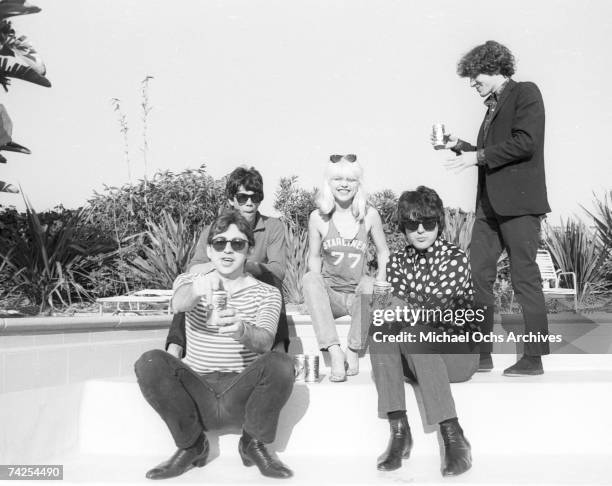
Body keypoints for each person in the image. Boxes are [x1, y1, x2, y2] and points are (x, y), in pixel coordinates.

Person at [135, 209, 295, 480]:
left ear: (248, 251)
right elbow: (178, 303)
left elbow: (266, 342)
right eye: (219, 243)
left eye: (237, 244)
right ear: (209, 250)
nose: (227, 250)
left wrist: (243, 330)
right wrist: (198, 289)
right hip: (198, 393)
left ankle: (253, 444)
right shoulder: (190, 282)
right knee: (150, 362)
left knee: (281, 363)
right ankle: (191, 445)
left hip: (241, 396)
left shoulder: (267, 293)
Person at [440, 40, 551, 376]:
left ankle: (533, 358)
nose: (472, 84)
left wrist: (480, 156)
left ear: (494, 67)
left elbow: (525, 142)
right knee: (477, 277)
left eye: (475, 77)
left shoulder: (526, 92)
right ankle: (481, 353)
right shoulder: (491, 107)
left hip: (519, 206)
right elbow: (492, 152)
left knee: (525, 278)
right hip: (489, 208)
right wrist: (458, 146)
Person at [369, 186, 478, 477]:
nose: (420, 231)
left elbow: (435, 314)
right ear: (403, 227)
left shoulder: (454, 259)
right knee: (381, 328)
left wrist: (399, 309)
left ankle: (454, 437)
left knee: (413, 332)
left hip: (455, 354)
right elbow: (384, 310)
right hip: (413, 354)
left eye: (428, 223)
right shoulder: (398, 261)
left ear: (439, 224)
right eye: (412, 224)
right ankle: (399, 432)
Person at [165, 166, 290, 358]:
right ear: (231, 200)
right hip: (219, 286)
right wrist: (224, 265)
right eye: (242, 197)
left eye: (255, 197)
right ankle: (174, 349)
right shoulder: (215, 229)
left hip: (253, 286)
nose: (249, 202)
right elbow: (194, 268)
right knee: (192, 286)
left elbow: (278, 270)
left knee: (274, 286)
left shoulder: (273, 226)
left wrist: (242, 266)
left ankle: (279, 352)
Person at [302, 154, 389, 382]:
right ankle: (335, 352)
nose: (343, 184)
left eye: (350, 180)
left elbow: (383, 251)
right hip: (332, 296)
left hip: (358, 297)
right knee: (310, 279)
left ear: (358, 184)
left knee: (370, 282)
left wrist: (381, 282)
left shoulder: (369, 215)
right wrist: (313, 296)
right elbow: (313, 257)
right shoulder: (318, 217)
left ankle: (353, 348)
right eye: (337, 179)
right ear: (328, 183)